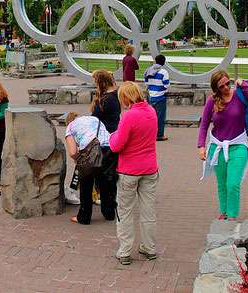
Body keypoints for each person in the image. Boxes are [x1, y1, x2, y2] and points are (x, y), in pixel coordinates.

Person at [197, 70, 248, 221]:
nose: (226, 87)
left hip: (238, 145)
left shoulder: (239, 95)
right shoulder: (212, 101)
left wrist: (243, 84)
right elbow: (204, 124)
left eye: (228, 83)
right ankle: (224, 212)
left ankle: (232, 215)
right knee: (222, 183)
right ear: (216, 88)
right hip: (217, 147)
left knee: (232, 183)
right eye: (222, 86)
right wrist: (201, 146)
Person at [109, 82, 159, 265]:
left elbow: (116, 145)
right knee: (148, 210)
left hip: (129, 170)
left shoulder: (129, 116)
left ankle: (125, 251)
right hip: (150, 168)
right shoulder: (151, 112)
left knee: (125, 211)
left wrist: (113, 134)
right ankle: (149, 247)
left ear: (125, 97)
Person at [64, 111, 116, 225]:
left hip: (91, 154)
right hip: (109, 149)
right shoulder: (94, 119)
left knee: (86, 184)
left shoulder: (70, 127)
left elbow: (72, 152)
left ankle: (84, 217)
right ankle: (109, 213)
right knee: (106, 182)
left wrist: (78, 159)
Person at [144, 54, 170, 141]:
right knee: (160, 117)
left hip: (151, 96)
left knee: (151, 117)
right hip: (161, 96)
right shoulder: (163, 72)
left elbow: (146, 83)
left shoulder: (148, 70)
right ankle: (159, 135)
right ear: (163, 62)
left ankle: (150, 134)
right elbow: (166, 85)